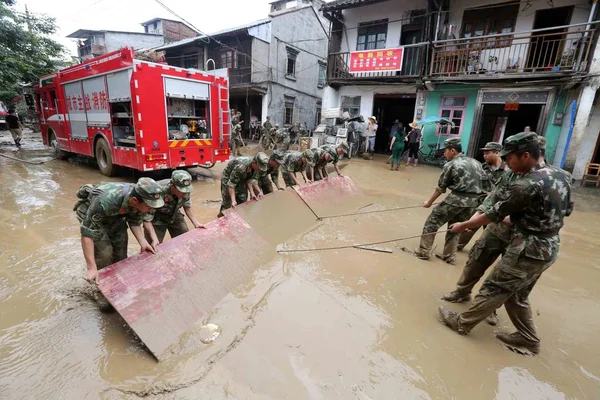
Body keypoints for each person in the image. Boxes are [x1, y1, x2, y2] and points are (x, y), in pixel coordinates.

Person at [439, 132, 573, 355]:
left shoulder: (527, 184)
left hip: (527, 246)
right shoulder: (562, 176)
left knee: (495, 286)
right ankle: (528, 339)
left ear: (527, 155)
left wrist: (463, 225)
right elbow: (566, 210)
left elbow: (495, 212)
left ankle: (462, 322)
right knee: (516, 294)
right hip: (549, 245)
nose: (507, 162)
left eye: (510, 157)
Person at [406, 138, 485, 265]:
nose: (444, 154)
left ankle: (423, 252)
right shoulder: (476, 163)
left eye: (445, 151)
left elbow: (441, 187)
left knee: (432, 222)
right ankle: (449, 257)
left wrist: (429, 202)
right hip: (472, 203)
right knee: (455, 227)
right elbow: (484, 185)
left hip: (456, 199)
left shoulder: (451, 164)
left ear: (453, 151)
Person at [74, 177, 164, 283]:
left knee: (121, 254)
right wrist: (91, 268)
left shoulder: (143, 199)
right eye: (149, 207)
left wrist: (143, 243)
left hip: (116, 215)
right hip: (94, 213)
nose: (151, 209)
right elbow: (87, 233)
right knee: (105, 254)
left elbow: (134, 221)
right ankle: (100, 283)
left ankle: (118, 283)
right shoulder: (105, 200)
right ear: (135, 200)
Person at [456, 142, 507, 251]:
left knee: (490, 236)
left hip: (496, 208)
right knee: (468, 229)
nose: (484, 155)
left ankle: (480, 252)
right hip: (479, 205)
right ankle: (456, 248)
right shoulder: (481, 167)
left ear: (497, 153)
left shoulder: (508, 170)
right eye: (484, 153)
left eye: (487, 153)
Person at [143, 170, 205, 244]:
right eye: (182, 191)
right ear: (172, 186)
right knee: (153, 245)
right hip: (156, 217)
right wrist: (154, 238)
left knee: (184, 238)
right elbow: (146, 218)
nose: (185, 194)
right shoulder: (157, 192)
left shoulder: (186, 189)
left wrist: (196, 223)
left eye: (186, 191)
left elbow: (187, 206)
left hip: (174, 212)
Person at [219, 153, 269, 217]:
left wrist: (252, 193)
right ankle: (221, 219)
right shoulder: (241, 167)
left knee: (243, 199)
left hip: (242, 178)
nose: (260, 169)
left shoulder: (256, 168)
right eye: (260, 167)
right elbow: (231, 185)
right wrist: (233, 200)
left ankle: (239, 218)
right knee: (227, 202)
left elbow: (250, 180)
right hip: (228, 178)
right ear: (254, 163)